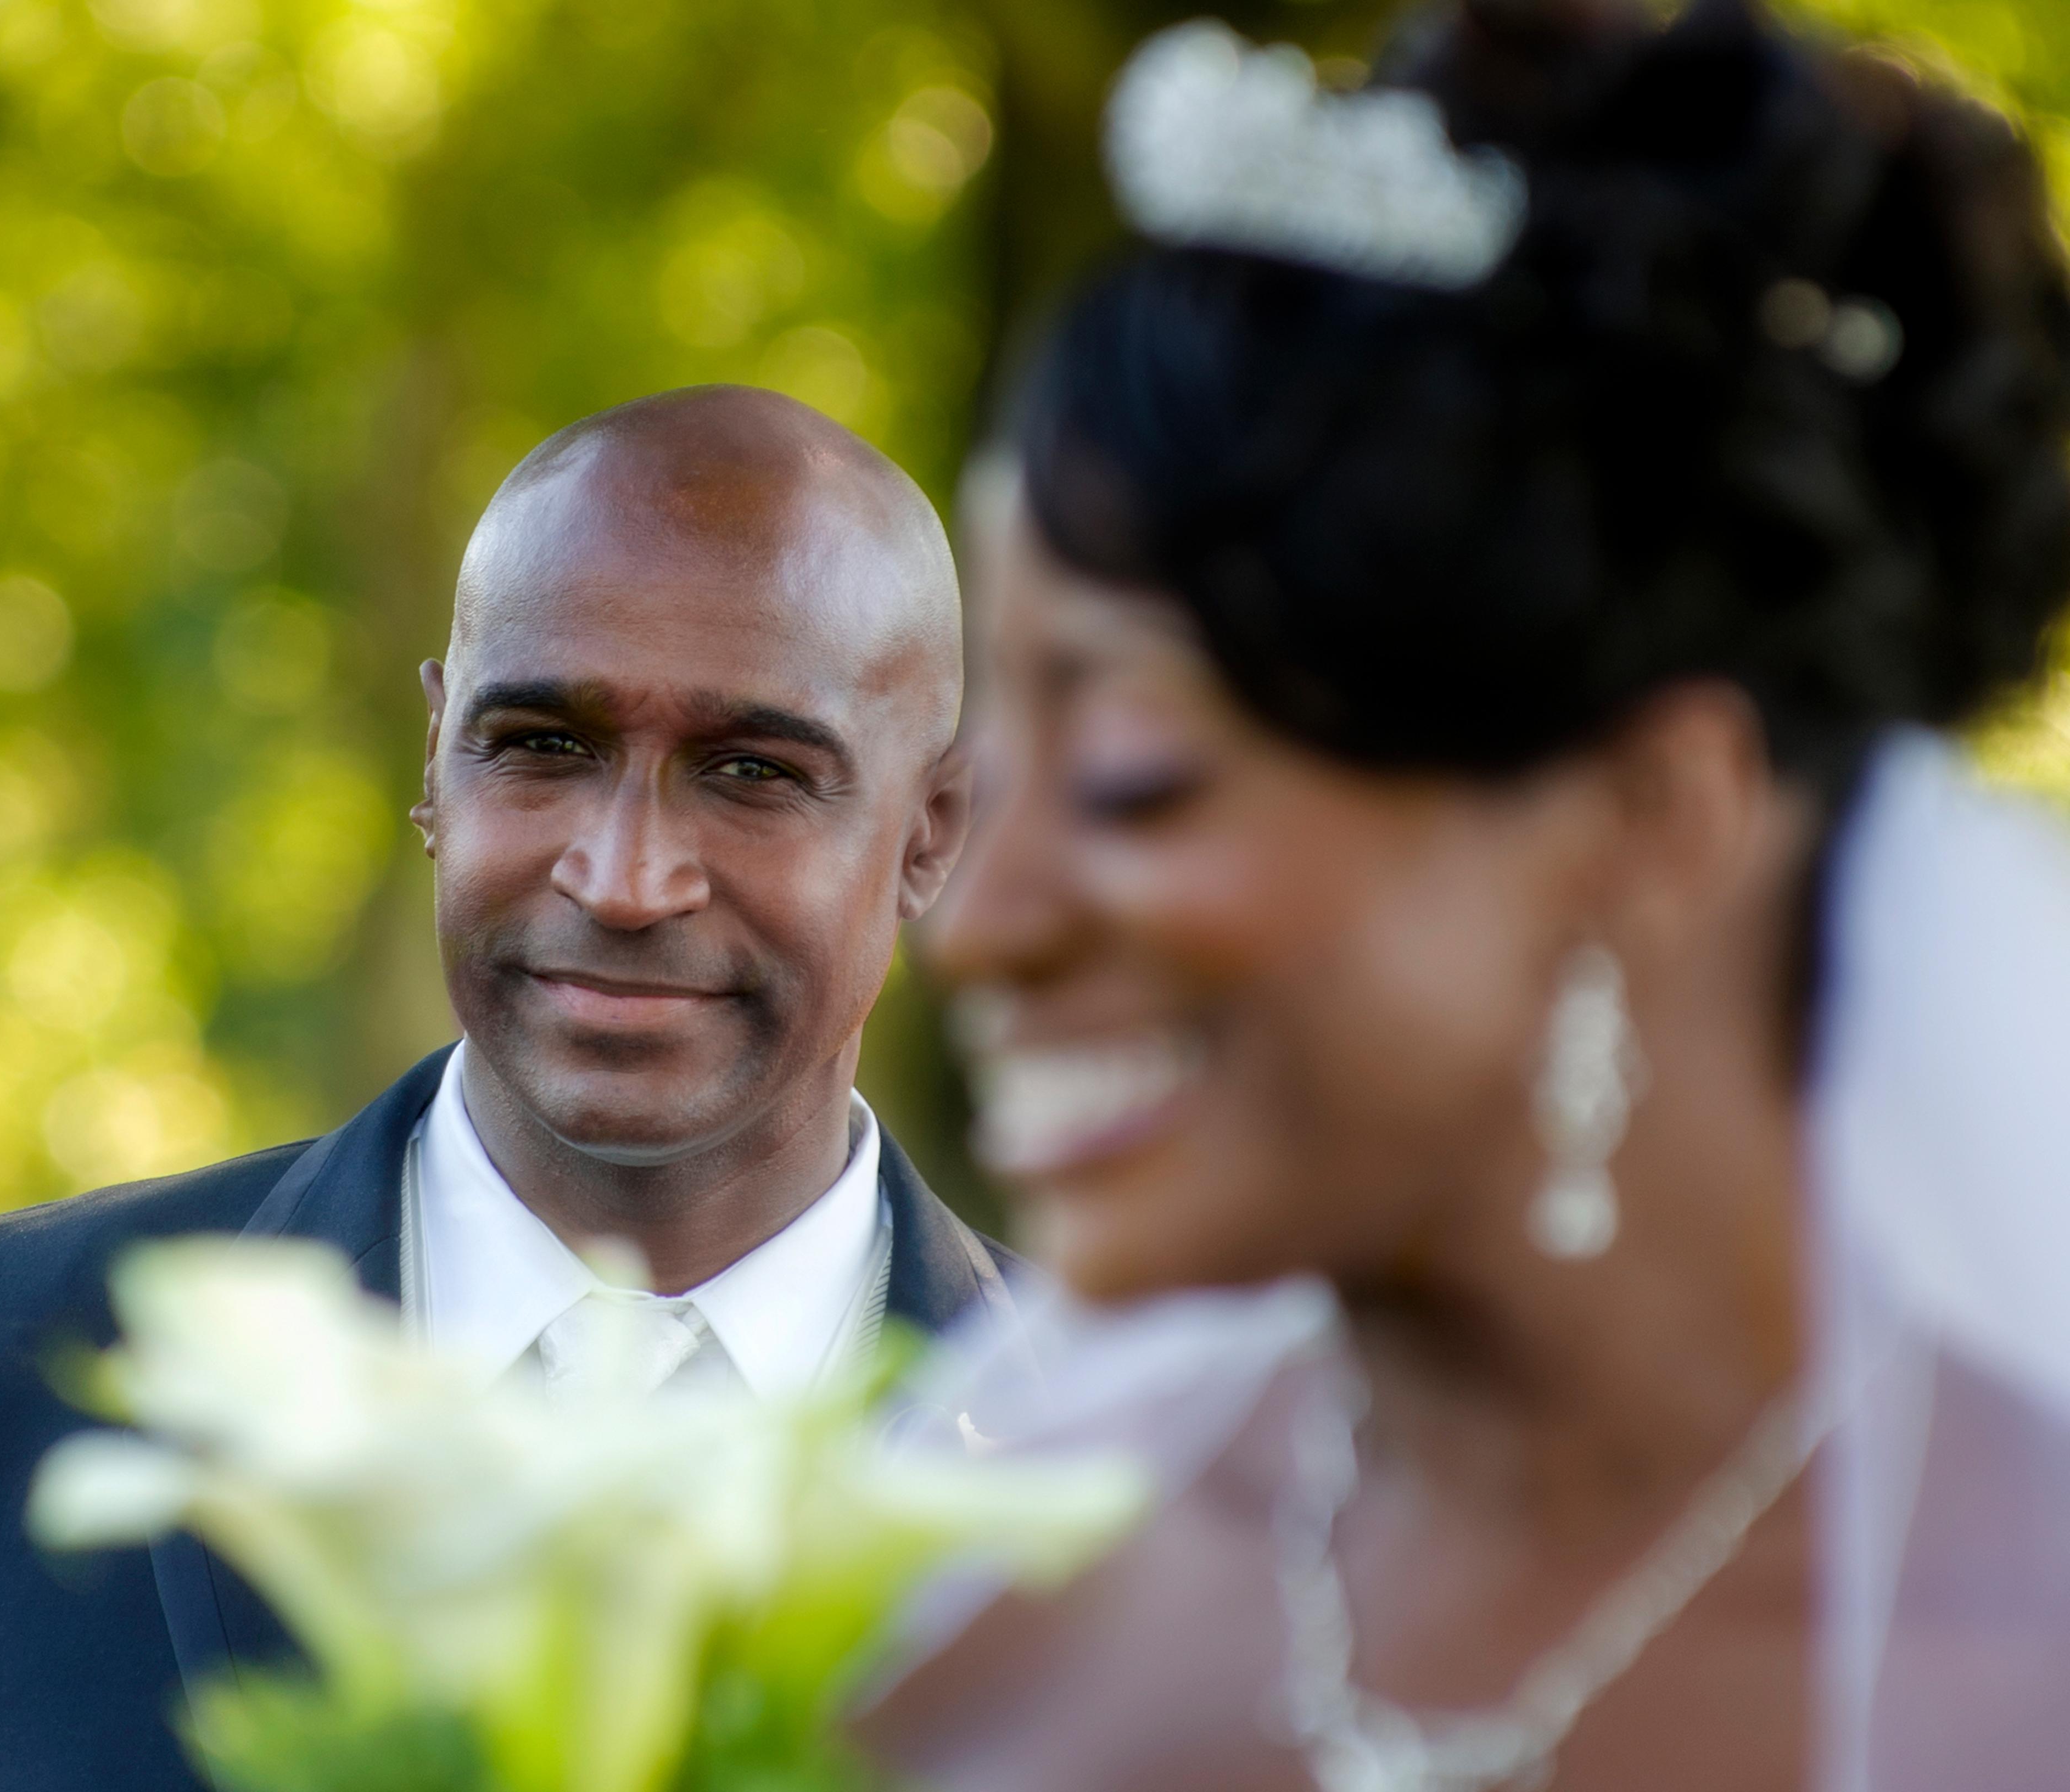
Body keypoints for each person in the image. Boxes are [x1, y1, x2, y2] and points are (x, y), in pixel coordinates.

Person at [857, 3, 2070, 1789]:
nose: (975, 926)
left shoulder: (2019, 1675)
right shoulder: (970, 1613)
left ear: (1647, 818)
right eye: (988, 757)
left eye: (1133, 774)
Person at [0, 385, 1012, 1792]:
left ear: (932, 831)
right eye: (544, 746)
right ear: (434, 757)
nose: (623, 879)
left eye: (752, 771)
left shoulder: (1148, 1477)